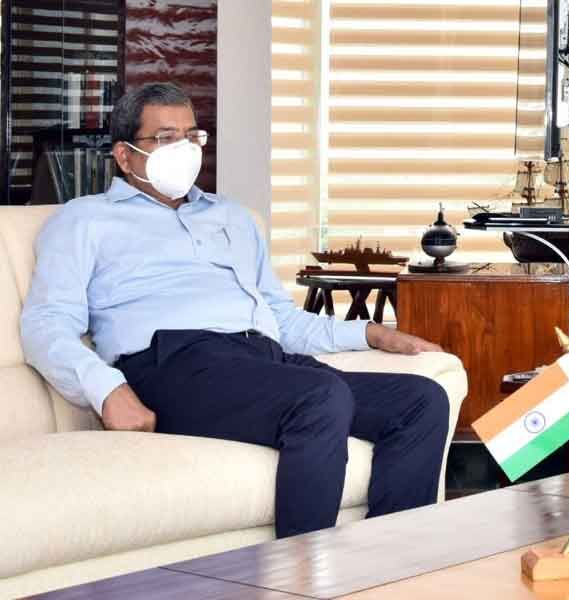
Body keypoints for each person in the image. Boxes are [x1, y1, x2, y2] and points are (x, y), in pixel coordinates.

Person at [20, 82, 451, 539]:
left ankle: (394, 566)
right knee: (320, 397)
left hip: (259, 360)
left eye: (191, 136)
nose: (183, 150)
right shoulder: (85, 219)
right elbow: (46, 323)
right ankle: (302, 579)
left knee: (421, 400)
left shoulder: (233, 218)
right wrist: (107, 389)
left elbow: (280, 319)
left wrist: (371, 334)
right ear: (124, 156)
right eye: (165, 138)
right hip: (174, 365)